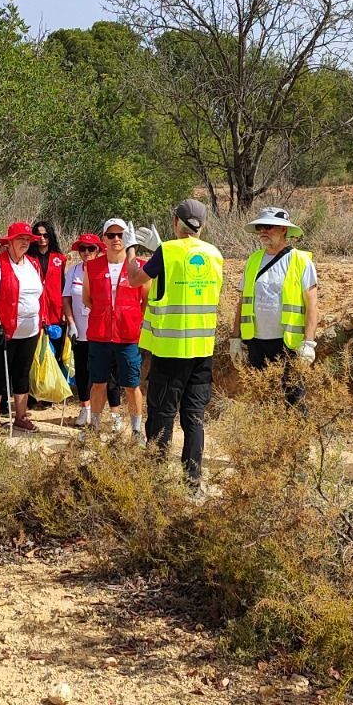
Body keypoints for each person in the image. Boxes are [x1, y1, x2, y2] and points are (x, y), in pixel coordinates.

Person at [129, 199, 223, 492]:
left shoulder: (167, 252)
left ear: (175, 222)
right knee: (194, 418)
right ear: (202, 226)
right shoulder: (214, 254)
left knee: (162, 415)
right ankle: (192, 483)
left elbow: (134, 279)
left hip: (171, 350)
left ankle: (156, 482)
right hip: (202, 351)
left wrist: (133, 250)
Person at [237, 207, 319, 406]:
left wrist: (309, 343)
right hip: (256, 343)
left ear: (283, 230)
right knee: (263, 400)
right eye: (260, 227)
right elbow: (242, 301)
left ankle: (295, 429)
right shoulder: (253, 260)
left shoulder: (300, 261)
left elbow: (312, 305)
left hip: (288, 344)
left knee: (294, 401)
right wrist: (234, 338)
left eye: (268, 226)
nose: (262, 231)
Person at [83, 218, 148, 437]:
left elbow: (146, 300)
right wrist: (103, 315)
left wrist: (132, 318)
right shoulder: (92, 267)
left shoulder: (139, 266)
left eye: (121, 235)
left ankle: (136, 430)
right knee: (98, 383)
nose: (116, 239)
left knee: (131, 385)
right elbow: (87, 298)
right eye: (111, 235)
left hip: (128, 336)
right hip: (99, 335)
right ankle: (94, 427)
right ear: (104, 239)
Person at [0, 221, 45, 432]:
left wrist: (43, 319)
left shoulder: (33, 263)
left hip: (30, 330)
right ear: (9, 242)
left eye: (28, 239)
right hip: (4, 331)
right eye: (20, 239)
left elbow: (40, 295)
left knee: (22, 373)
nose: (25, 243)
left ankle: (21, 416)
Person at [64, 232, 122, 428]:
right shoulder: (73, 271)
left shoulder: (104, 269)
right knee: (82, 371)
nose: (86, 252)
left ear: (98, 250)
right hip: (80, 331)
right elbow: (66, 299)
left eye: (91, 248)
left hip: (103, 331)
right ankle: (85, 409)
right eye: (83, 248)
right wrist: (71, 323)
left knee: (110, 374)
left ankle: (114, 414)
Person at [27, 221, 67, 410]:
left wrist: (65, 312)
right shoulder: (28, 259)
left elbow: (64, 286)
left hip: (55, 312)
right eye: (38, 235)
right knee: (33, 354)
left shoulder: (60, 259)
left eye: (45, 235)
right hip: (34, 311)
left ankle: (49, 394)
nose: (42, 239)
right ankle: (31, 395)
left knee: (54, 353)